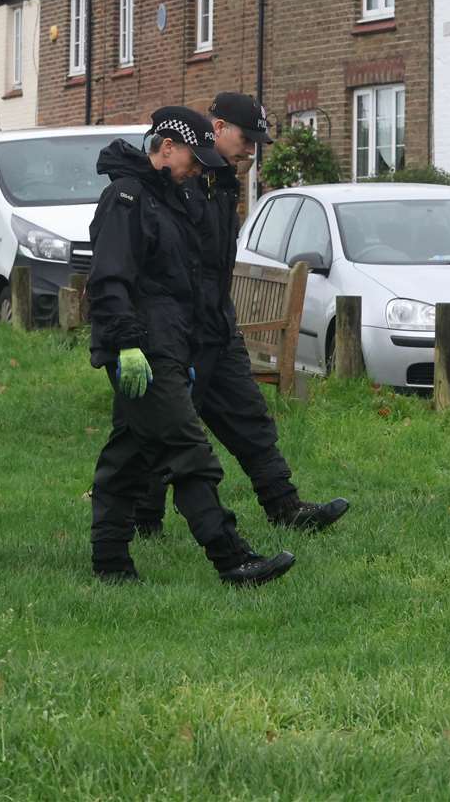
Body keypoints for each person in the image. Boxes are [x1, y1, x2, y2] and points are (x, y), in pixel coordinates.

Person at [87, 106, 295, 587]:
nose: (200, 168)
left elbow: (191, 278)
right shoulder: (127, 198)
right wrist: (126, 346)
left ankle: (110, 560)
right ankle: (230, 558)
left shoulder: (171, 199)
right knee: (188, 452)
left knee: (131, 452)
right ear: (166, 148)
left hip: (172, 344)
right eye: (194, 159)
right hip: (141, 346)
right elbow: (110, 279)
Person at [133, 92, 350, 537]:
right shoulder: (183, 180)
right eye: (245, 138)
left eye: (257, 142)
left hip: (218, 326)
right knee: (165, 431)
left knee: (250, 418)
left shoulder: (223, 183)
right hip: (178, 332)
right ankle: (144, 520)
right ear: (216, 129)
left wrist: (221, 319)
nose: (251, 148)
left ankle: (284, 505)